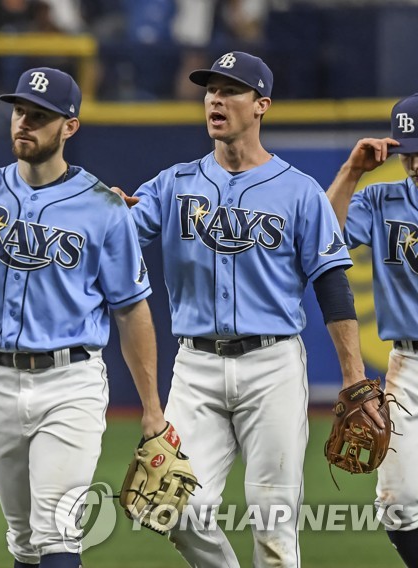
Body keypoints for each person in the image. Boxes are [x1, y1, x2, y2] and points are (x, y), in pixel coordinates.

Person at [0, 67, 170, 568]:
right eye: (20, 111)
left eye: (40, 116)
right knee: (23, 539)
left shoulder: (104, 207)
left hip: (72, 382)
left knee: (56, 528)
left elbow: (132, 310)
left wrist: (152, 410)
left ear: (70, 126)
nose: (24, 123)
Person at [122, 51, 380, 567]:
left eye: (231, 90)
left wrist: (353, 376)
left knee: (275, 531)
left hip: (273, 367)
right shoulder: (174, 184)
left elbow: (332, 286)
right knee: (170, 506)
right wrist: (102, 211)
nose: (215, 98)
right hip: (195, 368)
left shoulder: (301, 192)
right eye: (210, 89)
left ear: (261, 105)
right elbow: (118, 231)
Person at [324, 93, 418, 568]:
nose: (416, 163)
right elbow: (322, 239)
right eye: (410, 152)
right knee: (400, 503)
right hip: (411, 364)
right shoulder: (384, 198)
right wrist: (352, 172)